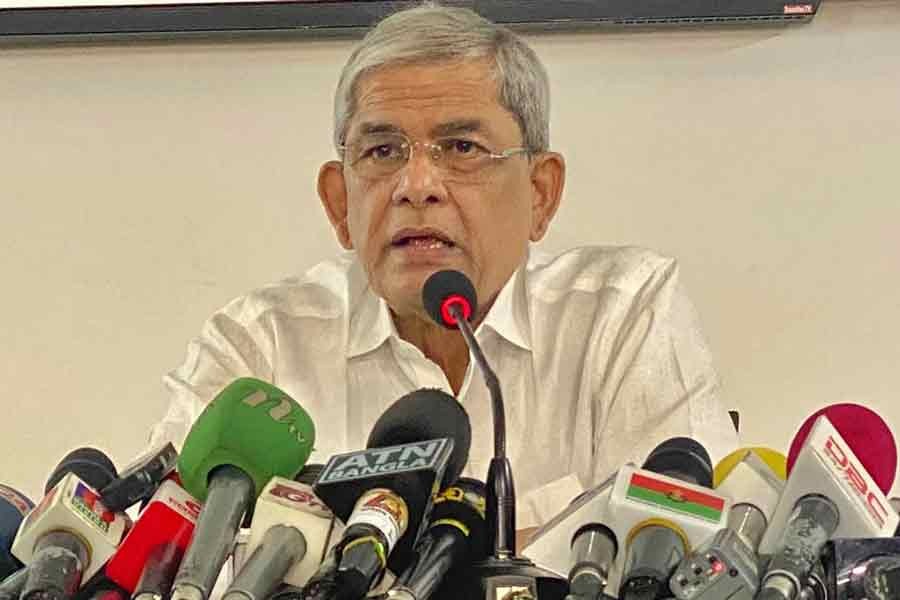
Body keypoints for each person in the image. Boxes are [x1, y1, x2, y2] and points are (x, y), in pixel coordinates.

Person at [149, 2, 738, 536]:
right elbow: (159, 556)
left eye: (461, 149)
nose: (417, 186)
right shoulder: (261, 347)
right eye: (382, 152)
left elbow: (686, 546)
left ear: (540, 193)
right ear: (340, 203)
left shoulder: (622, 313)